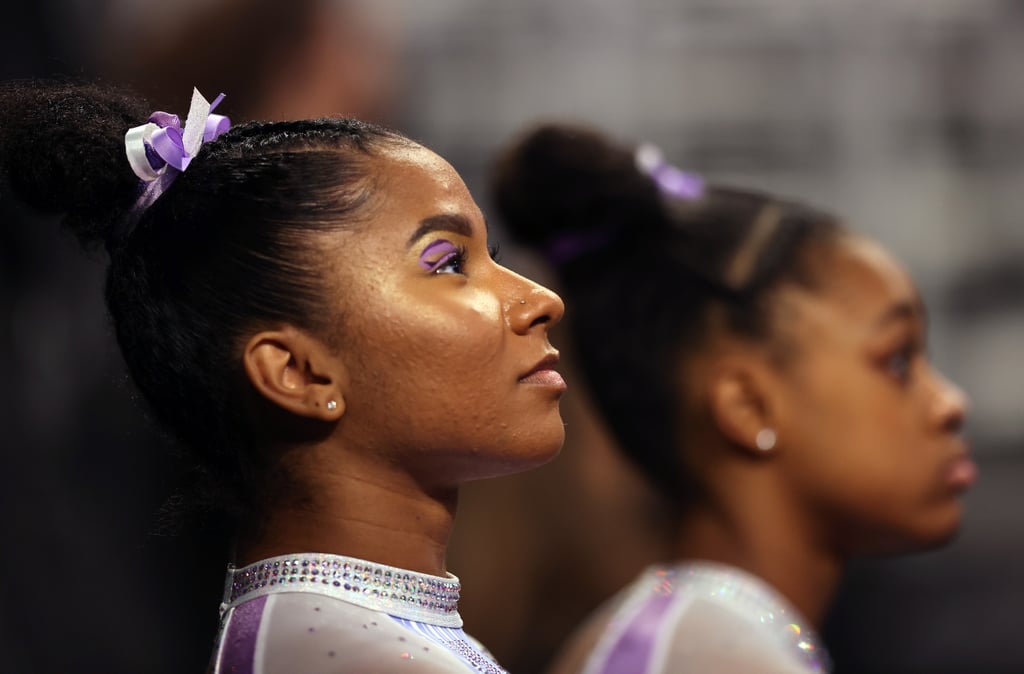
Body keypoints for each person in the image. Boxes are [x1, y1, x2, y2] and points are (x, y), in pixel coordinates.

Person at [0, 80, 567, 674]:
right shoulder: (354, 656)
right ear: (297, 373)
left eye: (492, 256)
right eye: (449, 261)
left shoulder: (349, 638)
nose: (541, 300)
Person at [490, 124, 976, 674]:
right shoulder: (714, 646)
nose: (951, 404)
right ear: (748, 406)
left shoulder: (707, 630)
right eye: (897, 361)